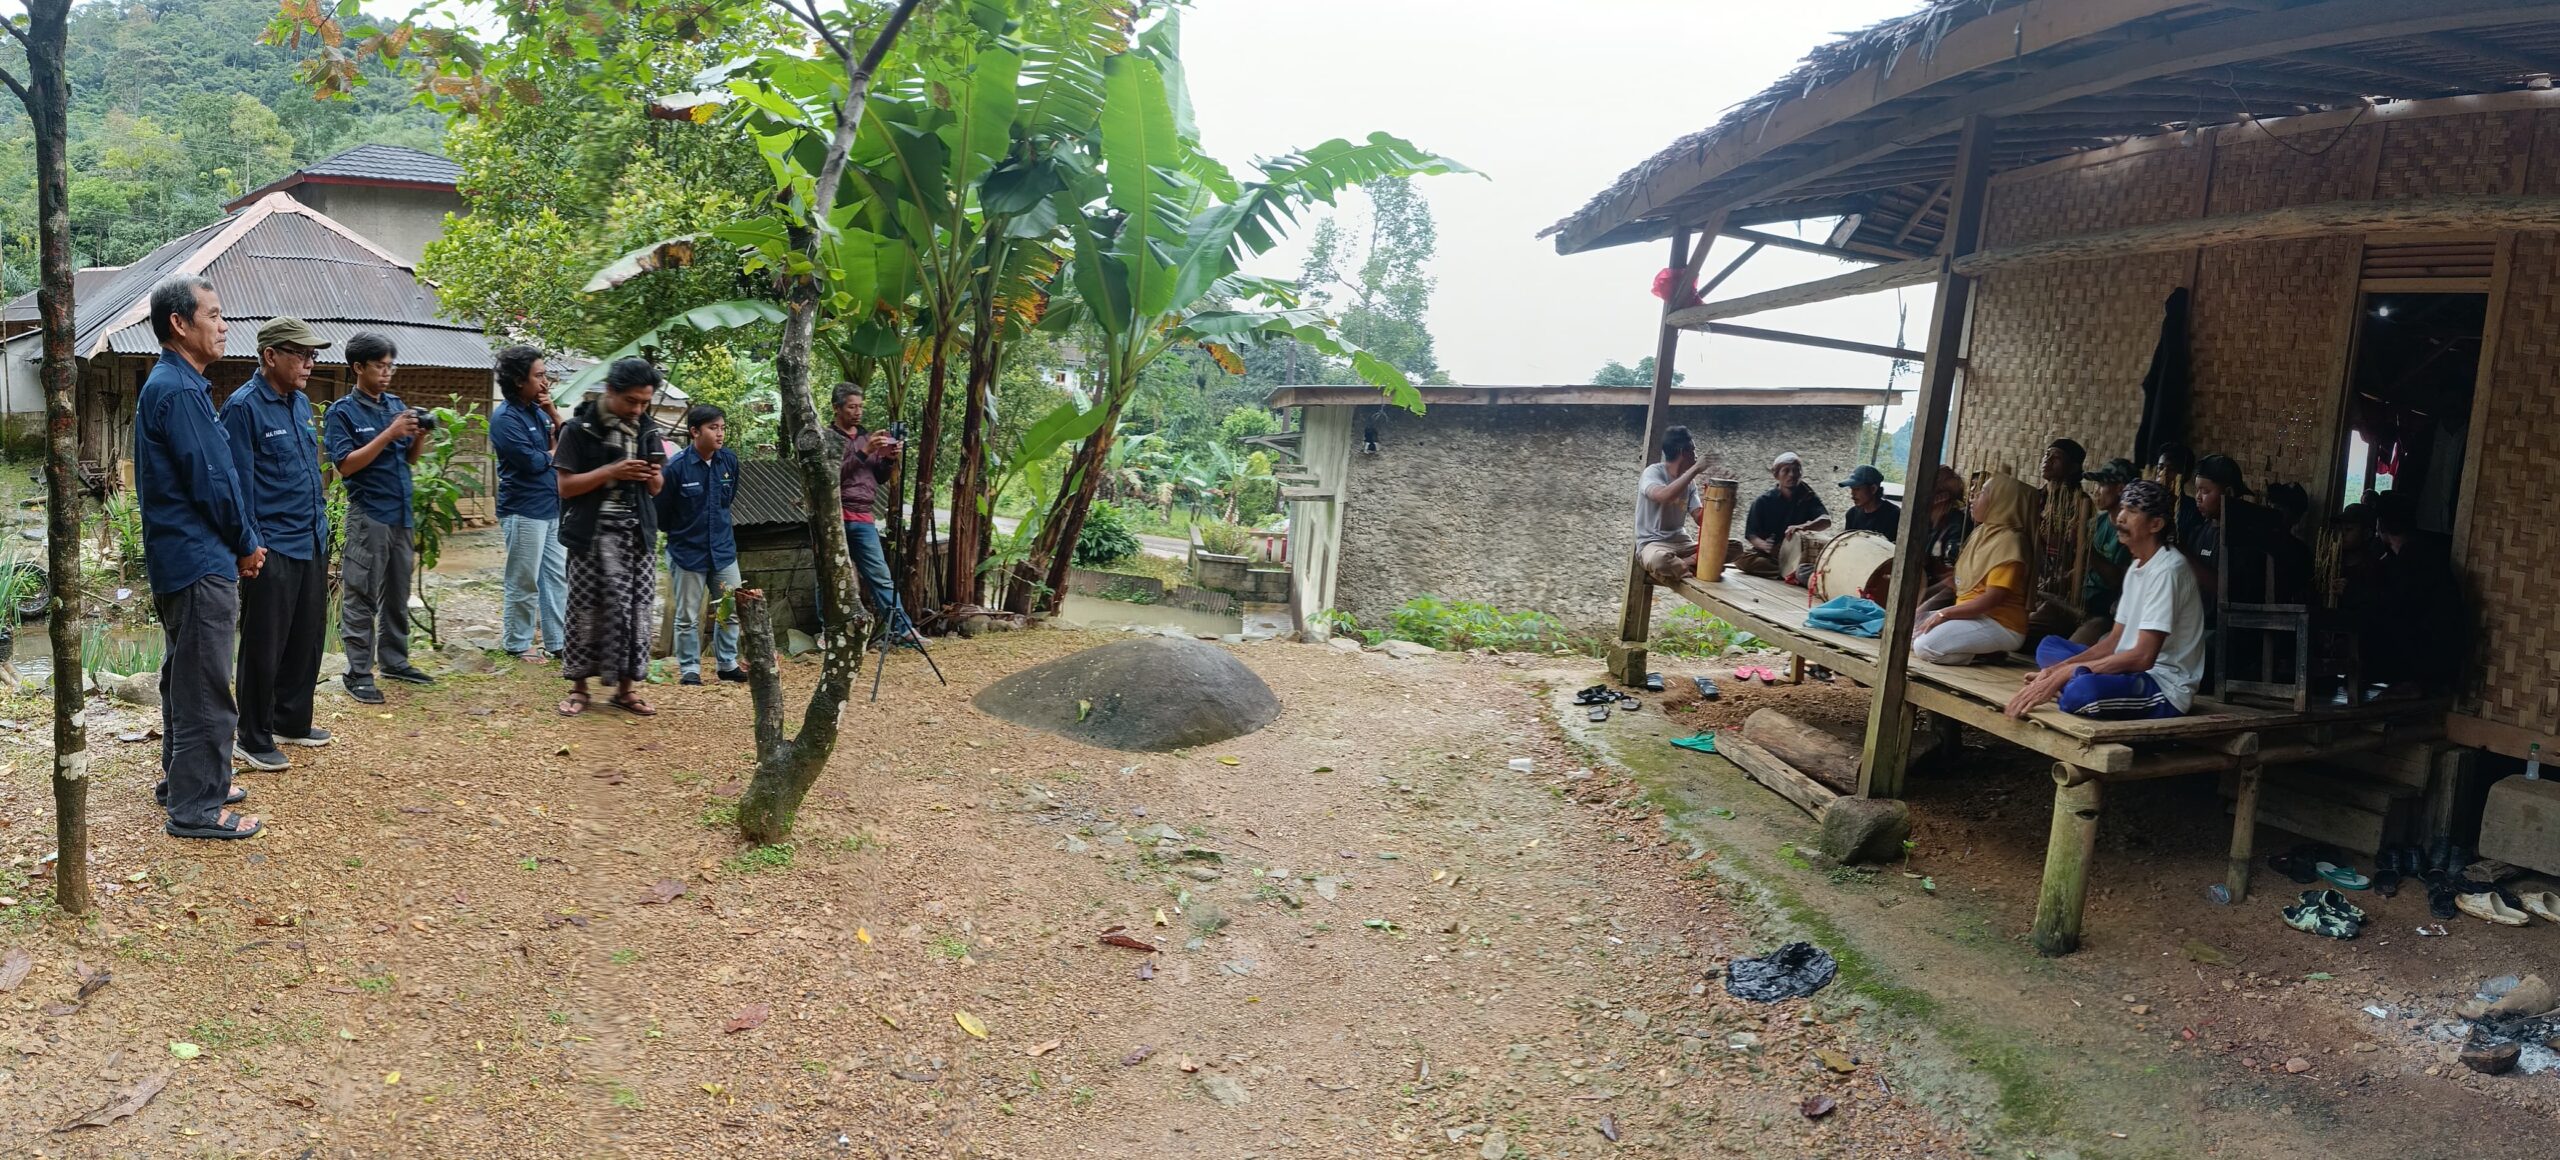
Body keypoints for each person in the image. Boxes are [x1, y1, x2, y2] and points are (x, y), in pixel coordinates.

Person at [134, 277, 263, 840]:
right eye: (213, 314)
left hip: (182, 559)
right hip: (198, 559)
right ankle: (197, 806)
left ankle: (183, 780)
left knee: (185, 677)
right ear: (179, 324)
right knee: (207, 685)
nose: (224, 325)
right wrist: (246, 542)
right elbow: (213, 482)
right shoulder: (180, 391)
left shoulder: (171, 384)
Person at [219, 317, 335, 772]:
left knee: (307, 637)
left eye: (313, 355)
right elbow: (238, 487)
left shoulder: (300, 403)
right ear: (270, 356)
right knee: (264, 645)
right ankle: (252, 735)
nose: (309, 363)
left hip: (311, 537)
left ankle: (292, 720)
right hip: (273, 546)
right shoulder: (243, 407)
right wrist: (248, 545)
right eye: (300, 354)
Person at [2007, 481, 2205, 720]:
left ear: (2156, 524)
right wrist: (2056, 671)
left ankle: (2076, 684)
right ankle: (2075, 680)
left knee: (2082, 692)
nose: (2120, 517)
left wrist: (2066, 673)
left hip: (2160, 684)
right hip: (2125, 667)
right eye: (2122, 508)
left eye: (2132, 511)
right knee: (2049, 647)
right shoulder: (2137, 566)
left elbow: (2143, 657)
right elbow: (2114, 641)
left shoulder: (2167, 571)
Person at [324, 331, 435, 704]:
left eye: (391, 366)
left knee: (398, 592)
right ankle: (357, 672)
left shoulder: (396, 406)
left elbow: (409, 459)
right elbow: (345, 465)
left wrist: (418, 436)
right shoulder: (342, 412)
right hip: (369, 514)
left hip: (401, 513)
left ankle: (395, 661)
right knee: (361, 594)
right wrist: (389, 433)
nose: (387, 373)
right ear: (358, 367)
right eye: (380, 366)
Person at [555, 358, 668, 716]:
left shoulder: (648, 430)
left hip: (637, 534)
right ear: (609, 391)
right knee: (585, 609)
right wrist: (611, 471)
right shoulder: (578, 429)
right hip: (590, 534)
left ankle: (627, 689)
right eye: (631, 401)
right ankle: (578, 687)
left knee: (637, 611)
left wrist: (651, 475)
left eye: (645, 402)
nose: (638, 410)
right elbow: (565, 487)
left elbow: (657, 487)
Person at [490, 345, 568, 664]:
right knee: (524, 579)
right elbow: (532, 461)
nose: (545, 382)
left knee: (556, 578)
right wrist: (553, 454)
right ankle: (517, 643)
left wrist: (553, 412)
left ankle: (558, 642)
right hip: (523, 509)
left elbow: (567, 444)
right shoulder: (505, 418)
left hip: (551, 505)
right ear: (519, 380)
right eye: (539, 375)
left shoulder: (538, 411)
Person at [658, 403, 745, 686]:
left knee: (730, 609)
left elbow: (727, 500)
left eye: (722, 428)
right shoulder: (676, 468)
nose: (720, 434)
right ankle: (690, 669)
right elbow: (661, 513)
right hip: (687, 553)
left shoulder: (728, 461)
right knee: (687, 616)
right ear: (694, 432)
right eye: (713, 428)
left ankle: (727, 664)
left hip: (723, 551)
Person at [1912, 473, 2035, 665]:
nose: (1973, 498)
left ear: (2001, 502)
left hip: (1999, 624)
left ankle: (1985, 654)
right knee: (1908, 632)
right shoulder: (1982, 533)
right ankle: (1983, 651)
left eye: (1982, 493)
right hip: (1972, 616)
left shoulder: (2010, 542)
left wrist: (1944, 614)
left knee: (1924, 646)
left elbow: (1992, 599)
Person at [830, 382, 911, 637]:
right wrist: (864, 452)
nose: (858, 412)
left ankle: (903, 630)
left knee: (881, 576)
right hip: (834, 517)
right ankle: (829, 632)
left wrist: (888, 458)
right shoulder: (826, 438)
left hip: (864, 516)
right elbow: (831, 476)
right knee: (829, 577)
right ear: (836, 408)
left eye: (860, 407)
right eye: (852, 407)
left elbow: (879, 477)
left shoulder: (867, 438)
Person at [2027, 438, 2095, 642]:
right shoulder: (2034, 498)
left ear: (2073, 467)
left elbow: (2083, 558)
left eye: (2056, 457)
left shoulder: (2082, 504)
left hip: (2061, 592)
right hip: (2031, 582)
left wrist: (2061, 580)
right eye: (2046, 455)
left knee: (2024, 627)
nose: (2047, 460)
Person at [2066, 458, 2138, 646]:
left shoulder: (2132, 531)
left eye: (2101, 485)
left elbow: (2116, 580)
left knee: (2071, 649)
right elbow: (2083, 569)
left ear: (2120, 489)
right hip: (2082, 601)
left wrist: (2084, 546)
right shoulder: (2096, 523)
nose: (2095, 491)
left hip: (2107, 610)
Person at [1736, 452, 1829, 583]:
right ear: (1776, 475)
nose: (1792, 475)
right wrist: (1765, 546)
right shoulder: (1763, 501)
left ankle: (1790, 573)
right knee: (1742, 560)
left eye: (1796, 470)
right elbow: (1751, 534)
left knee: (1811, 566)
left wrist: (1803, 526)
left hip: (1799, 556)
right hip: (1770, 557)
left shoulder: (1807, 496)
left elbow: (1826, 520)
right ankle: (1791, 574)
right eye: (1786, 471)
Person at [1634, 426, 1706, 585]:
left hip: (1683, 544)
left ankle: (1682, 565)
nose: (1696, 455)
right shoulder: (1653, 472)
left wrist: (1716, 497)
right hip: (1653, 545)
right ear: (1683, 452)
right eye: (1693, 450)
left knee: (1732, 547)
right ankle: (1690, 564)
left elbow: (1700, 519)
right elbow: (1663, 496)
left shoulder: (1690, 482)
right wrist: (1695, 470)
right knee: (1659, 561)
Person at [1837, 464, 1899, 539]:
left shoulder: (1894, 516)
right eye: (1852, 489)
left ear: (1873, 489)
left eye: (1857, 489)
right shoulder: (1852, 515)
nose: (1852, 493)